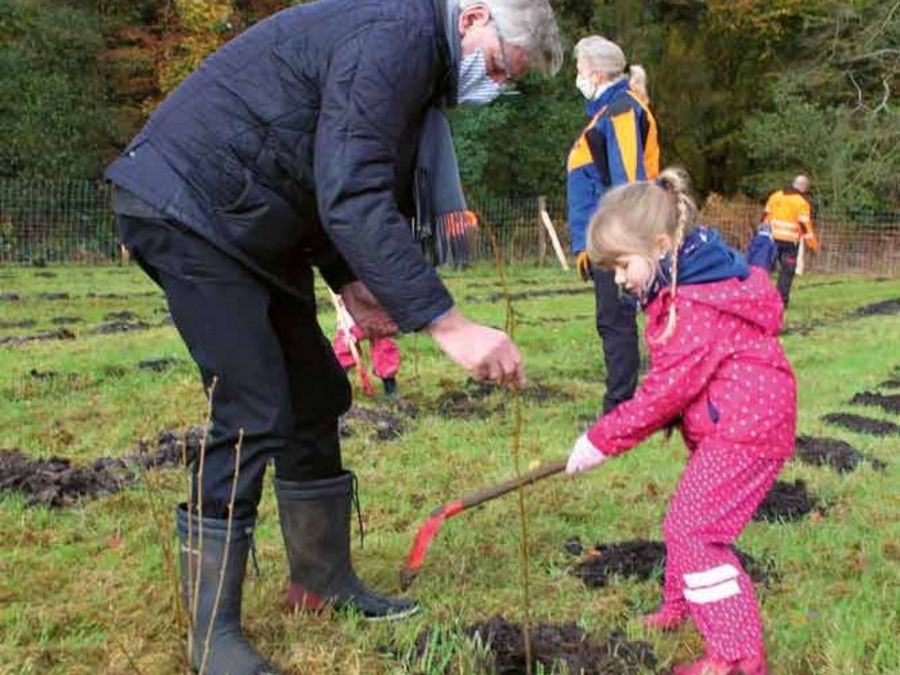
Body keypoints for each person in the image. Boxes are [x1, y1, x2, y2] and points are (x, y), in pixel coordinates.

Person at [104, 0, 563, 672]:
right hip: (192, 207)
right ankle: (212, 637)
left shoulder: (412, 50)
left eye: (506, 80)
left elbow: (321, 169)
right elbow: (351, 191)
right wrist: (449, 323)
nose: (490, 87)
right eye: (495, 67)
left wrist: (350, 280)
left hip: (249, 217)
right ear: (473, 19)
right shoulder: (397, 38)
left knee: (315, 389)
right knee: (254, 403)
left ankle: (319, 583)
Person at [566, 168, 796, 675]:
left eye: (623, 266)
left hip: (747, 430)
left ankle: (736, 657)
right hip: (734, 421)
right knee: (686, 520)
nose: (620, 279)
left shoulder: (691, 302)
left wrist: (600, 440)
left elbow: (664, 393)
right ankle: (682, 605)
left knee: (695, 530)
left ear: (663, 244)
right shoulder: (685, 282)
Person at [566, 36, 660, 414]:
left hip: (618, 239)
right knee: (614, 320)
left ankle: (620, 408)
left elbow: (628, 182)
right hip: (606, 238)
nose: (577, 76)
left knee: (616, 321)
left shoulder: (621, 111)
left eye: (579, 68)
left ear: (597, 71)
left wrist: (621, 245)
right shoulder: (606, 113)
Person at [762, 175, 819, 306]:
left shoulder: (775, 196)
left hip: (770, 239)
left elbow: (765, 217)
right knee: (787, 272)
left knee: (765, 269)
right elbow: (805, 226)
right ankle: (780, 301)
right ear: (803, 187)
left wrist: (761, 236)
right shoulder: (801, 202)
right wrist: (812, 245)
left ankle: (762, 298)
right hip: (789, 242)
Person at [332, 314, 401, 397]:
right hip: (350, 314)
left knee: (384, 345)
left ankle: (390, 385)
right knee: (345, 346)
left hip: (376, 311)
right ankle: (336, 383)